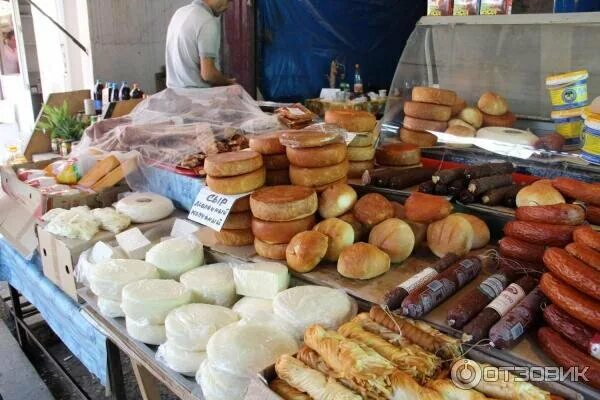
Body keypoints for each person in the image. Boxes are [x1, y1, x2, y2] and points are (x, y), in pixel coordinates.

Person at [165, 0, 235, 88]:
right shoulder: (207, 21)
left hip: (174, 94)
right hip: (196, 97)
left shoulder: (179, 13)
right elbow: (208, 74)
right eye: (228, 1)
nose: (227, 7)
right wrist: (228, 82)